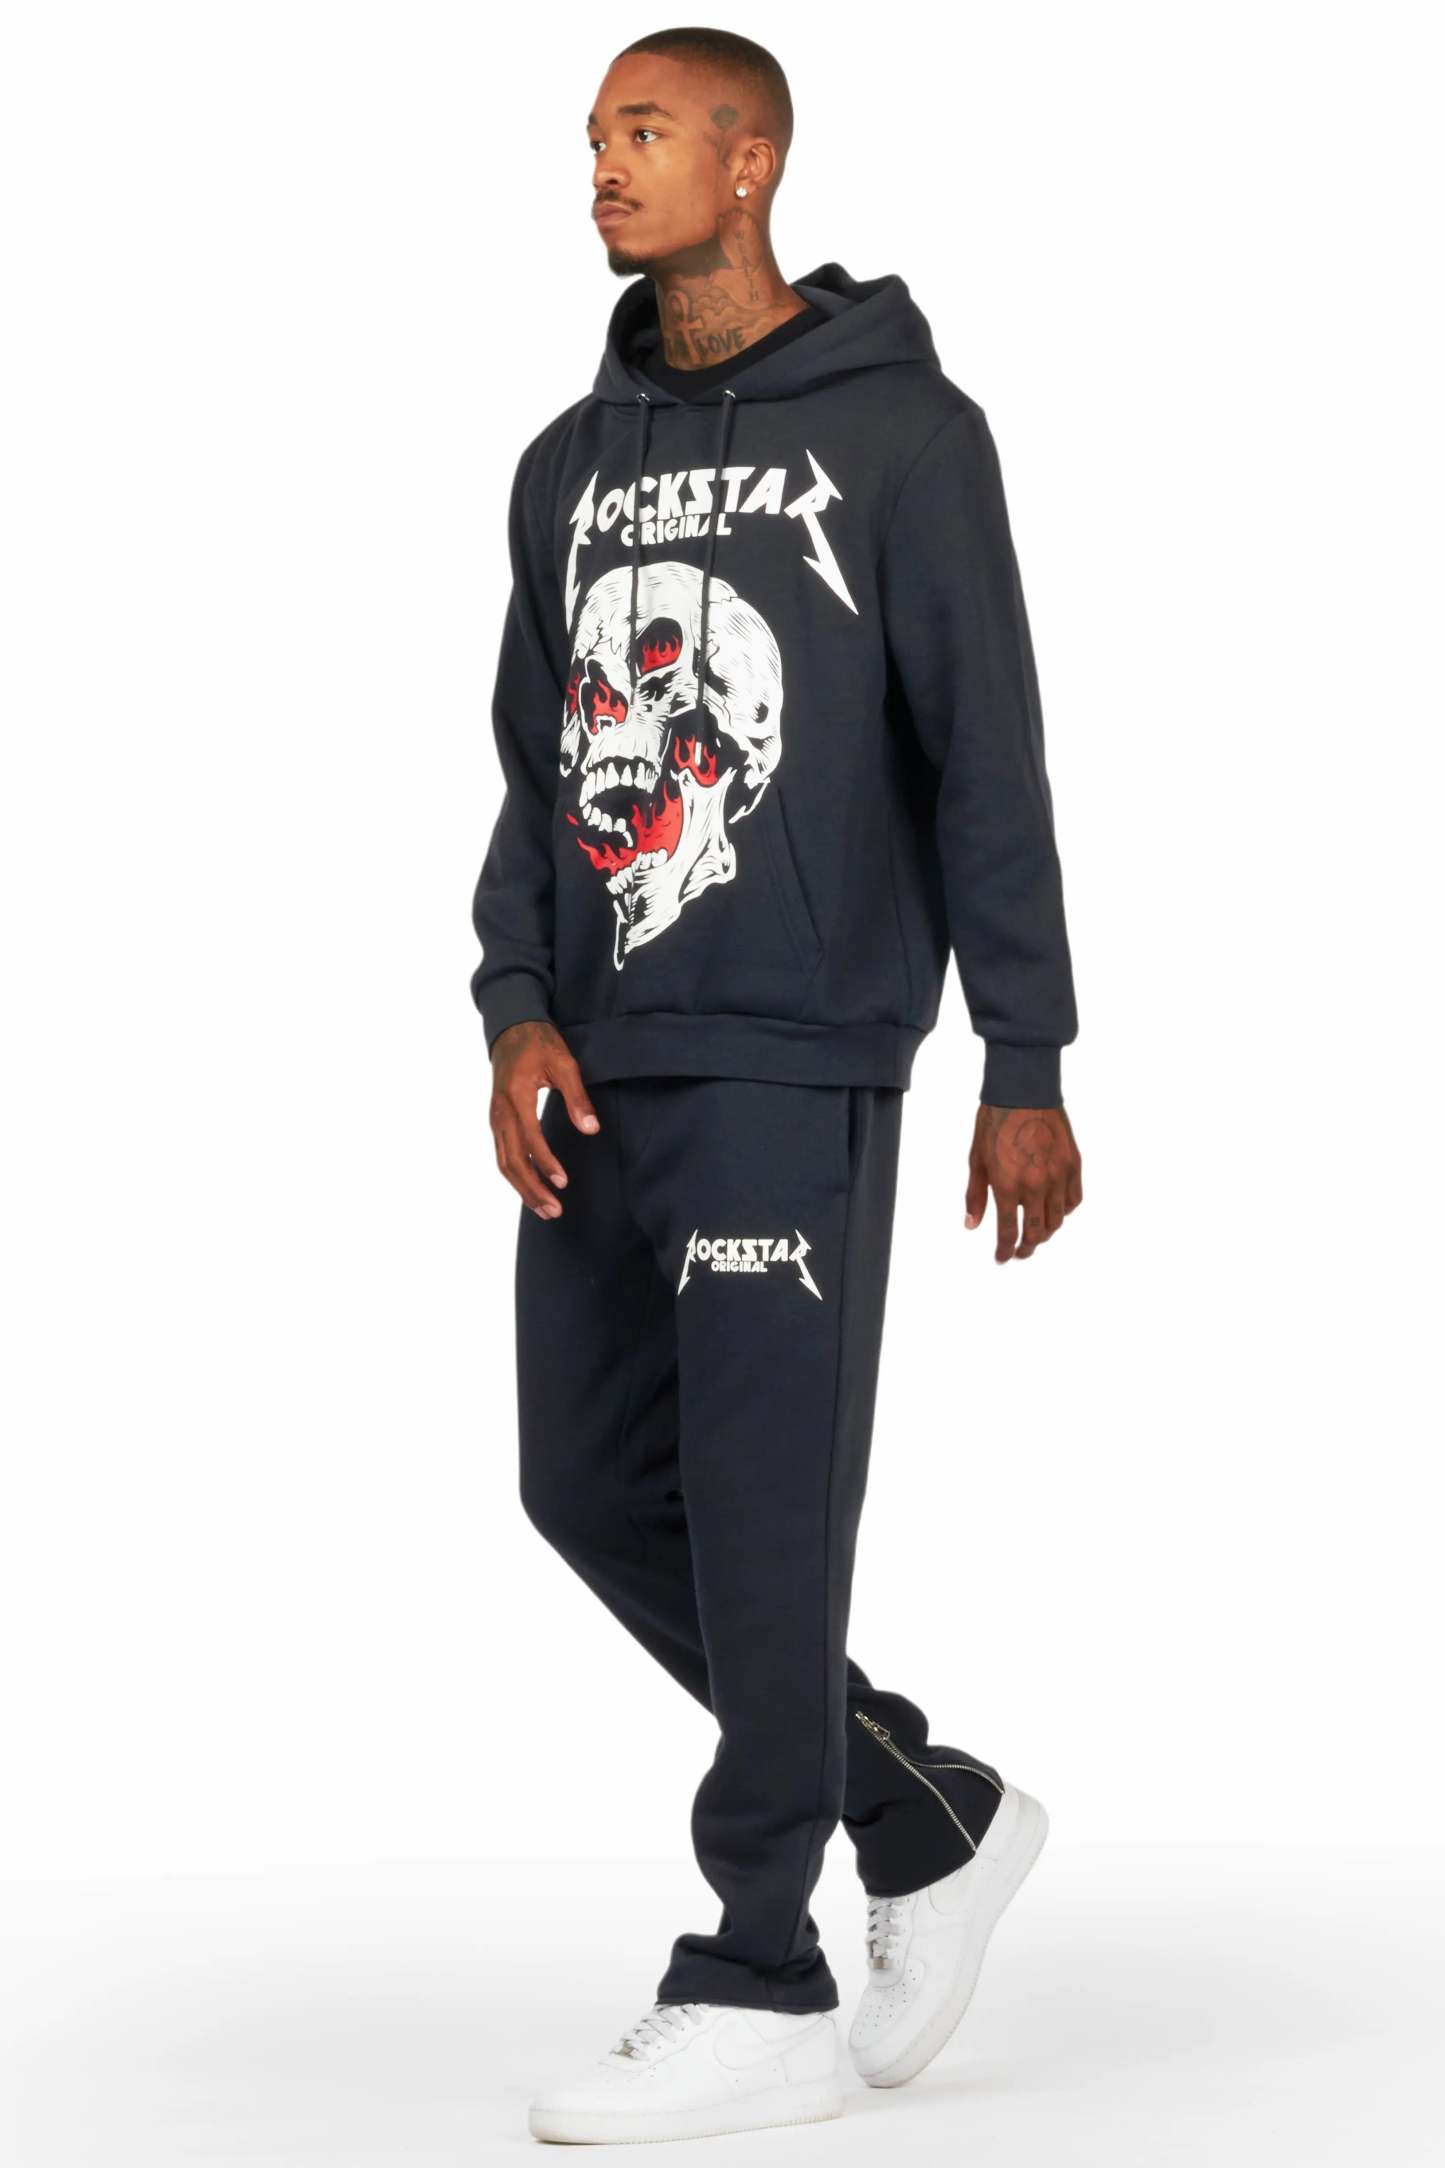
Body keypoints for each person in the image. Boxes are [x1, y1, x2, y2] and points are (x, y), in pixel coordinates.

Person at [470, 25, 1083, 2146]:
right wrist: (513, 1006)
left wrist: (1026, 1053)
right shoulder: (567, 461)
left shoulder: (907, 433)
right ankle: (923, 1812)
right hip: (599, 1059)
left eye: (644, 132)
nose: (602, 166)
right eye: (592, 136)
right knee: (585, 1484)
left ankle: (759, 1971)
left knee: (757, 1505)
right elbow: (538, 764)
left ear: (752, 164)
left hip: (794, 1048)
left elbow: (985, 750)